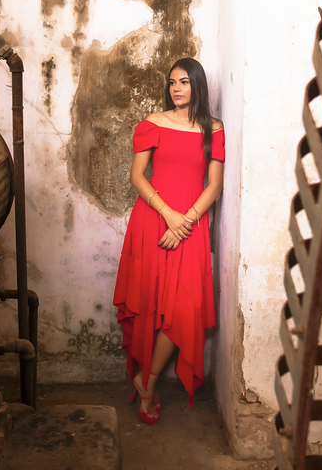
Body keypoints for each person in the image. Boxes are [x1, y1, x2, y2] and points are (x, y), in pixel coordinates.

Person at [112, 57, 225, 424]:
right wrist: (169, 214)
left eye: (184, 82)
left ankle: (148, 379)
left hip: (189, 227)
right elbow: (137, 176)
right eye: (172, 83)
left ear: (197, 86)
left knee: (180, 307)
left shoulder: (214, 129)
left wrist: (186, 220)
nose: (177, 88)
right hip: (153, 221)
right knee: (150, 303)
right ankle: (148, 386)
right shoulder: (152, 124)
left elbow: (215, 185)